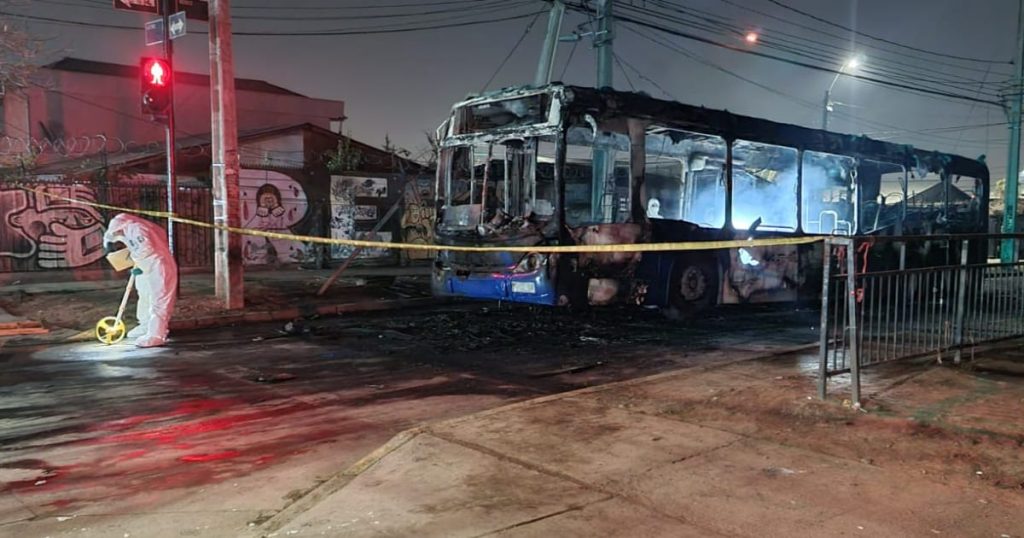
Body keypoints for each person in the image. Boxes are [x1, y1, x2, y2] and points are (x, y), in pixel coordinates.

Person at [103, 213, 178, 348]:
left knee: (159, 301)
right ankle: (145, 325)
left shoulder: (137, 229)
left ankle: (156, 334)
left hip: (159, 266)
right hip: (147, 267)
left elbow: (146, 249)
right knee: (144, 295)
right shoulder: (131, 230)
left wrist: (132, 257)